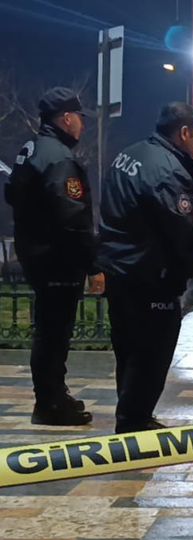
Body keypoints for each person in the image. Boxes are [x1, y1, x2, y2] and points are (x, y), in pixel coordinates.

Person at [96, 102, 193, 433]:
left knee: (128, 351)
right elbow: (180, 231)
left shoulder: (128, 155)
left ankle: (131, 416)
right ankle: (133, 423)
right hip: (150, 277)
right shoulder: (167, 171)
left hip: (119, 271)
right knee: (151, 354)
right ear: (184, 132)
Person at [3, 87, 95, 426]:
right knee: (55, 332)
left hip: (35, 253)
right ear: (66, 118)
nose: (83, 124)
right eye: (80, 117)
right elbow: (73, 218)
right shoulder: (59, 158)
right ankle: (50, 403)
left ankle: (54, 393)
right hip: (58, 258)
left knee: (48, 328)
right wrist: (92, 264)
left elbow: (12, 194)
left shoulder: (31, 149)